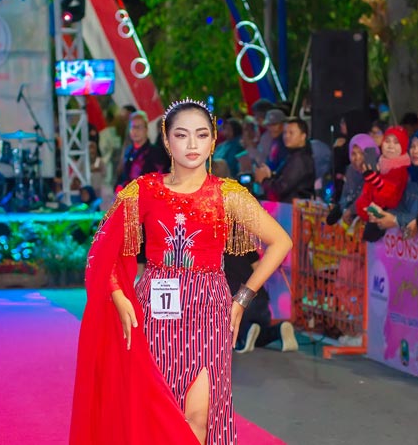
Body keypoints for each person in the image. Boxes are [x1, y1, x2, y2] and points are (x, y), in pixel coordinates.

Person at [70, 99, 293, 445]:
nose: (192, 145)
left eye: (201, 135)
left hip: (209, 309)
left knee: (199, 415)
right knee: (158, 411)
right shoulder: (142, 190)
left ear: (214, 140)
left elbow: (281, 242)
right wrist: (117, 296)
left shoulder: (228, 194)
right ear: (167, 139)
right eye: (182, 135)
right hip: (153, 314)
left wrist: (243, 298)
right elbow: (102, 252)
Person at [368, 130, 418, 237]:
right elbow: (401, 206)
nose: (415, 151)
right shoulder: (409, 175)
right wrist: (383, 215)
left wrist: (396, 220)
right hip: (410, 243)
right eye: (412, 146)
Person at [224, 251, 298, 354]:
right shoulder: (242, 240)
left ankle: (246, 331)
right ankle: (278, 330)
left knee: (232, 328)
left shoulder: (213, 245)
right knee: (258, 337)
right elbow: (258, 268)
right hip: (257, 293)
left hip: (239, 296)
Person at [356, 126, 410, 242]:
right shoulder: (379, 166)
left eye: (396, 142)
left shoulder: (403, 171)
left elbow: (392, 200)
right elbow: (366, 195)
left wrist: (377, 182)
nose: (390, 146)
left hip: (398, 236)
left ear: (404, 145)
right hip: (381, 235)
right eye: (387, 141)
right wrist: (367, 211)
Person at [254, 117, 315, 202]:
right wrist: (270, 175)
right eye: (285, 133)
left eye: (291, 133)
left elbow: (281, 188)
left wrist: (264, 180)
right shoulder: (293, 155)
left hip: (291, 210)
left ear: (303, 136)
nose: (287, 136)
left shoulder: (299, 159)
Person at [115, 110, 165, 190]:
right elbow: (122, 176)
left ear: (146, 129)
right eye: (133, 127)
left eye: (139, 127)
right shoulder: (128, 151)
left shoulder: (155, 152)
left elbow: (159, 179)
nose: (135, 131)